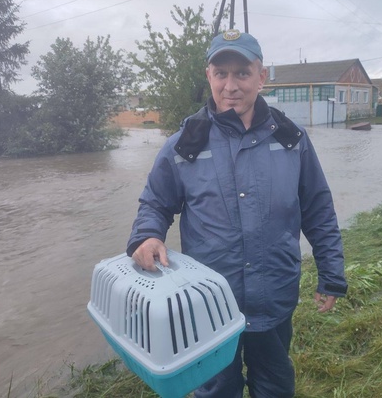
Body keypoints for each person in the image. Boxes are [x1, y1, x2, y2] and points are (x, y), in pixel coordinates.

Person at [126, 29, 348, 398]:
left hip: (274, 296)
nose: (231, 85)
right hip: (208, 305)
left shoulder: (291, 139)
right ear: (208, 76)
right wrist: (148, 236)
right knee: (215, 390)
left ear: (262, 77)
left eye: (242, 73)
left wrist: (332, 274)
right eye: (221, 73)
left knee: (275, 385)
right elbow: (155, 203)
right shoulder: (186, 143)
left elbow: (319, 209)